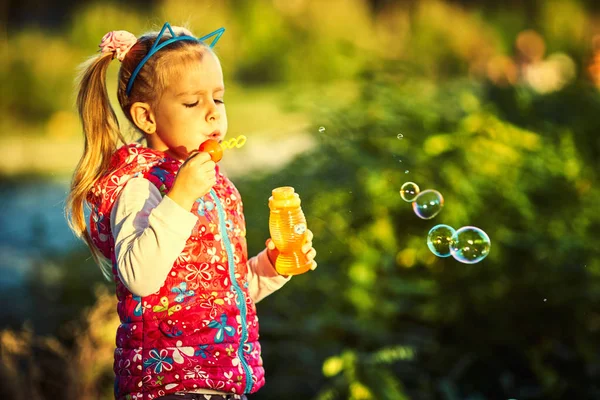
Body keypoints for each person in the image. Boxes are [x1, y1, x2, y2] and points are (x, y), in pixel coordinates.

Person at [65, 22, 317, 400]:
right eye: (192, 102)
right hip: (167, 385)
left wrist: (270, 267)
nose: (213, 114)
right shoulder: (141, 185)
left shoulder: (211, 185)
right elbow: (140, 277)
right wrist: (179, 198)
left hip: (221, 383)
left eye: (218, 98)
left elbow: (218, 291)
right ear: (147, 118)